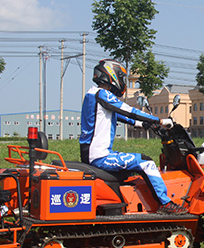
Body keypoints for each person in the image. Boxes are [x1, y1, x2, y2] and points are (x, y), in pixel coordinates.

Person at [79, 60, 185, 210]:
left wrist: (143, 124)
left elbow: (120, 116)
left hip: (91, 153)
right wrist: (159, 121)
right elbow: (129, 111)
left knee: (136, 165)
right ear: (112, 75)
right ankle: (166, 204)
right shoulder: (103, 95)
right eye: (121, 77)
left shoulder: (92, 95)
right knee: (146, 162)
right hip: (100, 156)